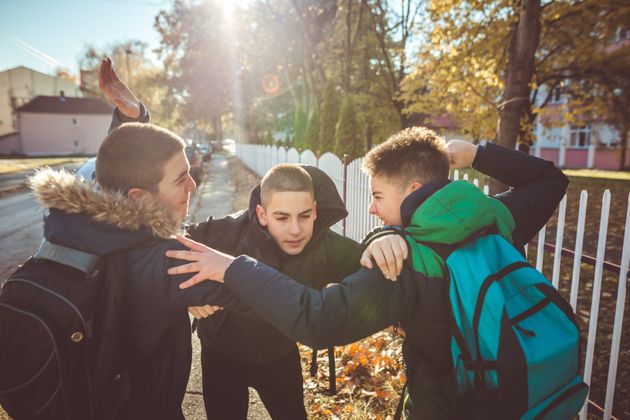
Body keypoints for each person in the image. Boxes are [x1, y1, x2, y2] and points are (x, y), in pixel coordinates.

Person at [166, 127, 569, 419]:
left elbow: (320, 319)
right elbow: (551, 178)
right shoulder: (498, 217)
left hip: (446, 406)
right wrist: (475, 153)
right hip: (520, 390)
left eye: (377, 196)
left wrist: (232, 271)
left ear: (412, 190)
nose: (371, 208)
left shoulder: (404, 263)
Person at [98, 58, 364, 419]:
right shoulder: (223, 231)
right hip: (222, 358)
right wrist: (184, 295)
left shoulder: (326, 246)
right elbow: (148, 231)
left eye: (304, 216)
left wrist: (385, 239)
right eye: (282, 218)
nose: (296, 229)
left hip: (280, 358)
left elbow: (370, 263)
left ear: (316, 212)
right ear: (261, 214)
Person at [29, 122, 245, 419]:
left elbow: (117, 166)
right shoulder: (166, 258)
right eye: (181, 178)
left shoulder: (78, 227)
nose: (192, 185)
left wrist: (132, 118)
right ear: (138, 197)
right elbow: (262, 294)